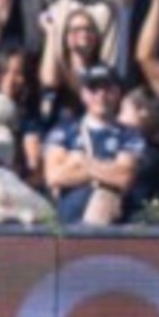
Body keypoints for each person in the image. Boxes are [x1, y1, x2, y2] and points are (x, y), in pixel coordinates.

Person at [43, 64, 145, 224]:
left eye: (107, 89)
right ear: (83, 94)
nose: (101, 95)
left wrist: (82, 163)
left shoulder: (129, 135)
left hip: (110, 221)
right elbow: (54, 176)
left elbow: (123, 177)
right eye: (94, 89)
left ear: (118, 93)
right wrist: (106, 170)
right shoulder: (63, 131)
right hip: (67, 219)